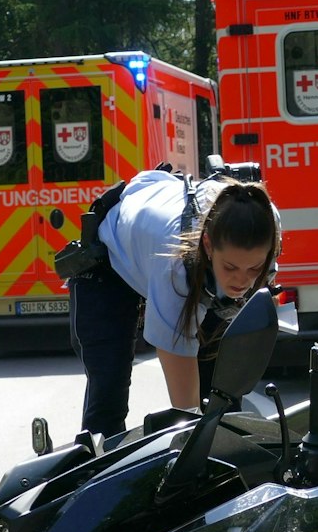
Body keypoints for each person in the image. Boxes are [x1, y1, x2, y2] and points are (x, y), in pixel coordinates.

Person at [67, 169, 281, 439]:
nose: (242, 281)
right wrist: (194, 442)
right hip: (109, 262)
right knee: (108, 389)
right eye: (231, 267)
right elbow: (185, 410)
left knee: (220, 396)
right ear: (208, 244)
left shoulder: (264, 219)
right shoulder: (175, 268)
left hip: (161, 221)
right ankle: (93, 470)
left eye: (254, 268)